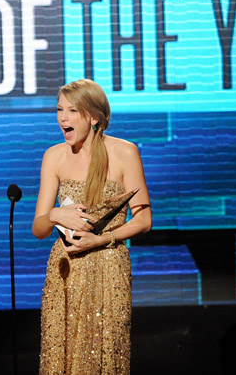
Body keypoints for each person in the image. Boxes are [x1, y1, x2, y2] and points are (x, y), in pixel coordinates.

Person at [32, 79, 152, 374]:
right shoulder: (54, 156)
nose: (63, 118)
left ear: (94, 117)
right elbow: (39, 228)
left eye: (72, 111)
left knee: (105, 354)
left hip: (109, 267)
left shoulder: (125, 153)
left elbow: (143, 220)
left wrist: (101, 239)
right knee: (61, 356)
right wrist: (55, 215)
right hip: (66, 270)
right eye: (59, 110)